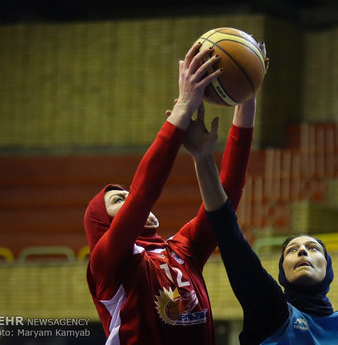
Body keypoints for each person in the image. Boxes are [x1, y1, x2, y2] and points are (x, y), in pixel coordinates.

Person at [83, 40, 260, 344]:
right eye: (116, 201)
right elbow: (143, 194)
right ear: (103, 224)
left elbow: (227, 194)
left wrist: (247, 94)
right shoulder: (108, 263)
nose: (127, 199)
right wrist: (183, 106)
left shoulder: (183, 250)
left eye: (125, 195)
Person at [183, 104, 338, 344]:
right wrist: (203, 159)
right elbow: (229, 236)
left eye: (313, 248)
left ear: (329, 268)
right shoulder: (270, 310)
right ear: (281, 271)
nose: (302, 250)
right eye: (292, 250)